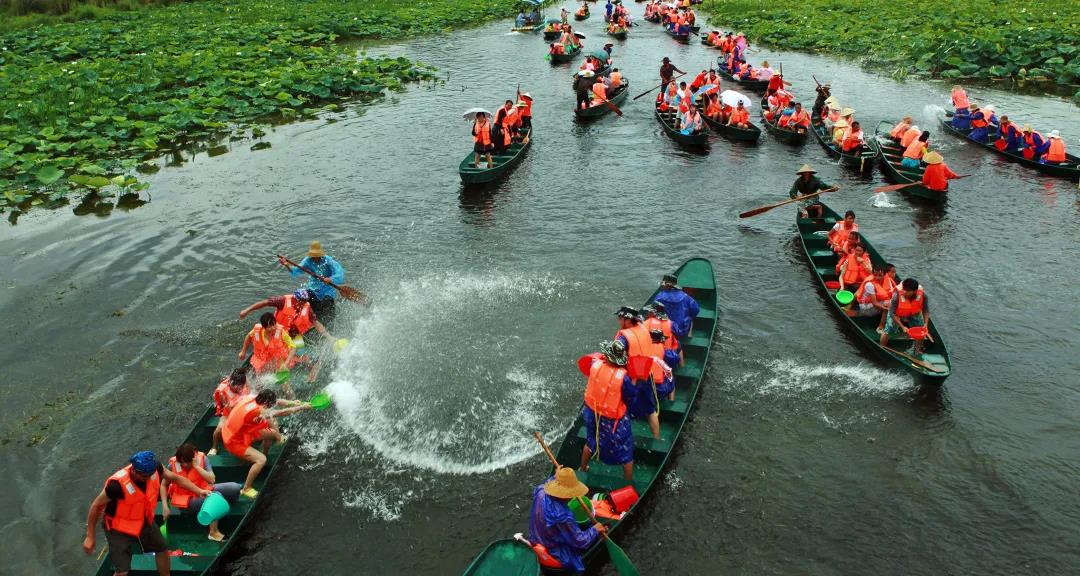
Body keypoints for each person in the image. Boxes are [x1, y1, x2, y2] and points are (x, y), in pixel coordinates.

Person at [83, 450, 211, 576]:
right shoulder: (116, 486)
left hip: (143, 520)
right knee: (122, 570)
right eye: (143, 475)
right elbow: (96, 506)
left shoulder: (156, 468)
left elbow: (176, 478)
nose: (147, 478)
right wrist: (90, 536)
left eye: (149, 475)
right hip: (118, 528)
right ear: (134, 469)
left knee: (161, 549)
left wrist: (199, 491)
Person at [222, 389, 312, 498]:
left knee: (272, 434)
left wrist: (294, 403)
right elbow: (281, 412)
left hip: (240, 430)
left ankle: (263, 453)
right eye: (270, 405)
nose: (271, 406)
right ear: (265, 403)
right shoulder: (259, 411)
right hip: (233, 441)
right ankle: (246, 488)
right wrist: (301, 407)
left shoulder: (253, 397)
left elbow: (277, 401)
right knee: (261, 460)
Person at [527, 466, 605, 572]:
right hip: (553, 548)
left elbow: (547, 484)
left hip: (536, 536)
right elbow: (580, 541)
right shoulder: (563, 516)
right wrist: (596, 529)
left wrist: (557, 476)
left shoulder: (541, 490)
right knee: (594, 535)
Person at [162, 442, 244, 542]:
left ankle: (221, 507)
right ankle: (213, 533)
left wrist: (197, 467)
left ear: (193, 458)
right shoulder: (173, 465)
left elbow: (212, 480)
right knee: (216, 496)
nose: (184, 465)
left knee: (234, 488)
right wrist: (165, 506)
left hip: (204, 491)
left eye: (187, 462)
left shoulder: (202, 459)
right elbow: (163, 485)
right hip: (187, 502)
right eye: (181, 462)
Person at [579, 341, 636, 481]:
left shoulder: (595, 365)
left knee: (590, 441)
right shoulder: (623, 377)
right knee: (626, 450)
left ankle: (583, 467)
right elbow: (630, 396)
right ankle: (628, 482)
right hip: (612, 420)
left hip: (591, 413)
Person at [278, 241, 345, 320]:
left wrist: (330, 279)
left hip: (328, 288)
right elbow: (295, 270)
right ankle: (308, 319)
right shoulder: (308, 260)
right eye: (313, 255)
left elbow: (340, 273)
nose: (314, 258)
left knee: (327, 305)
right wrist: (286, 265)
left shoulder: (328, 261)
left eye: (316, 255)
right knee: (304, 298)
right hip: (314, 287)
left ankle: (329, 323)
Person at [238, 312, 295, 383]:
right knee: (259, 381)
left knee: (285, 384)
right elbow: (248, 337)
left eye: (274, 325)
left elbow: (293, 347)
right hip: (262, 359)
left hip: (277, 359)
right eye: (269, 327)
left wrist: (285, 364)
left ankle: (290, 393)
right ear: (263, 327)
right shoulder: (257, 331)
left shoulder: (281, 332)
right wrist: (243, 351)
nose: (273, 328)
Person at [879, 278, 931, 354]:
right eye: (904, 289)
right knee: (889, 329)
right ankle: (882, 347)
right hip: (897, 313)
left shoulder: (923, 295)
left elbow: (925, 310)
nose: (904, 292)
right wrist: (902, 326)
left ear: (915, 291)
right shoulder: (896, 296)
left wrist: (926, 324)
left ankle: (918, 350)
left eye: (907, 291)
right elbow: (891, 313)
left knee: (921, 330)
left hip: (913, 313)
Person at [209, 367, 251, 455]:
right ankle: (214, 447)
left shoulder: (244, 381)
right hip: (229, 412)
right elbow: (228, 407)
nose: (238, 388)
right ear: (231, 382)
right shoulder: (222, 391)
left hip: (243, 408)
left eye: (240, 386)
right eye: (235, 386)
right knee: (219, 428)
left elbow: (249, 392)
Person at [652, 274, 699, 342]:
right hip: (681, 330)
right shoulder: (685, 296)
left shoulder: (659, 297)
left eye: (663, 284)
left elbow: (653, 311)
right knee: (690, 318)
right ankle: (688, 334)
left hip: (665, 329)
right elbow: (696, 310)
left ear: (667, 285)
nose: (662, 286)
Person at [642, 303, 680, 370]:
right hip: (667, 356)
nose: (648, 314)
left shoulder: (645, 323)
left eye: (649, 312)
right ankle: (680, 366)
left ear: (654, 313)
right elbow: (679, 333)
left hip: (649, 355)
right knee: (678, 343)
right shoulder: (671, 323)